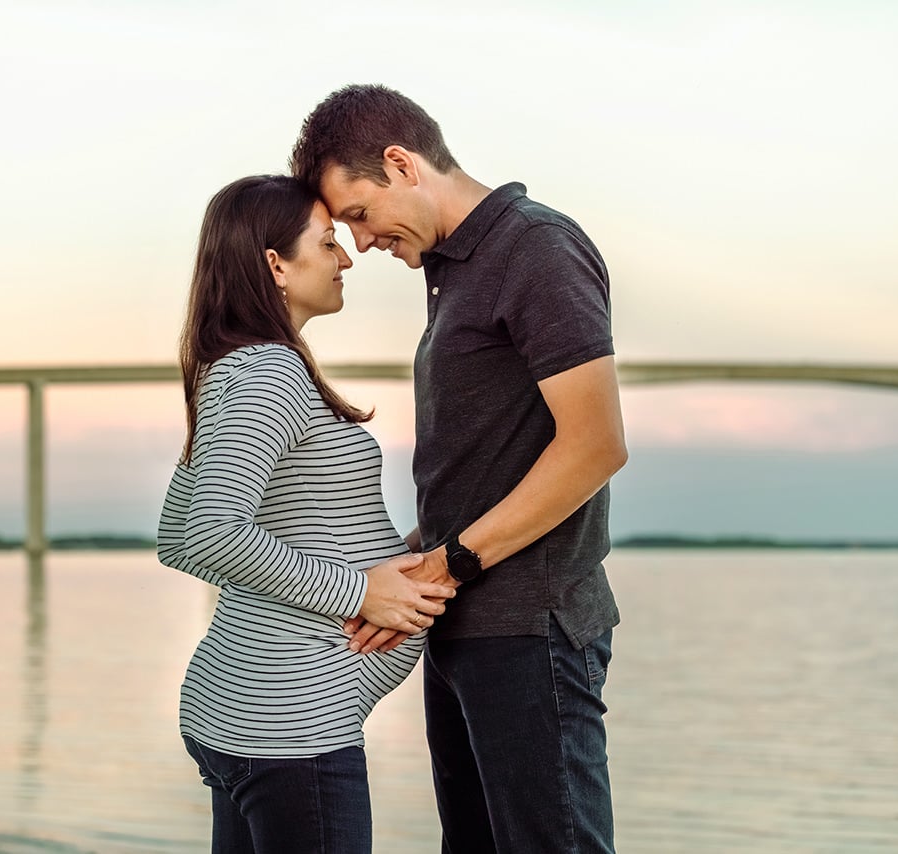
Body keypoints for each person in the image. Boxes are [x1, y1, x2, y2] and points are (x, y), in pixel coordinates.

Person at [290, 85, 629, 853]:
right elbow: (487, 459)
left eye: (360, 216)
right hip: (465, 622)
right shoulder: (451, 270)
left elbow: (596, 444)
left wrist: (450, 563)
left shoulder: (535, 247)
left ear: (401, 164)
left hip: (529, 625)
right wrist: (411, 566)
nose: (363, 242)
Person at [156, 174, 457, 854]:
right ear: (275, 265)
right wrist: (363, 590)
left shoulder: (234, 369)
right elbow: (207, 534)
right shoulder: (268, 374)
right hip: (290, 731)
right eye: (326, 243)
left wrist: (405, 554)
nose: (347, 256)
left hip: (246, 714)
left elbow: (176, 535)